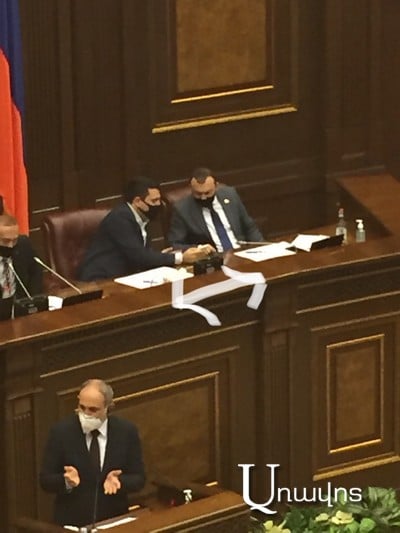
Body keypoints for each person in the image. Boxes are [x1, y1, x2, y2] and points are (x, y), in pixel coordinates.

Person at [40, 379, 146, 527]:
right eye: (82, 407)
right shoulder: (61, 432)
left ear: (108, 407)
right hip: (73, 523)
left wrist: (120, 482)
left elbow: (139, 478)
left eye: (93, 410)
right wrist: (66, 482)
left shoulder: (126, 432)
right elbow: (45, 480)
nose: (86, 414)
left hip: (112, 521)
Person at [78, 177, 211, 281]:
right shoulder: (120, 218)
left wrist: (162, 255)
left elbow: (140, 253)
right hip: (101, 279)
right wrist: (180, 257)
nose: (159, 205)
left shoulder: (141, 217)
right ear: (137, 201)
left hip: (125, 276)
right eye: (154, 201)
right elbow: (139, 257)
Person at [168, 167, 264, 252]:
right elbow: (176, 244)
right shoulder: (182, 209)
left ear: (216, 186)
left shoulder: (230, 194)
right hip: (213, 258)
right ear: (191, 188)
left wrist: (261, 248)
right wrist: (200, 248)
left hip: (241, 251)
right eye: (198, 194)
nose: (203, 198)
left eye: (207, 193)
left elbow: (249, 226)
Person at [0, 213, 43, 299]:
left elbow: (36, 272)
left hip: (20, 302)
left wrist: (33, 301)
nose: (10, 246)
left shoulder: (23, 245)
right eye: (6, 241)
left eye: (14, 240)